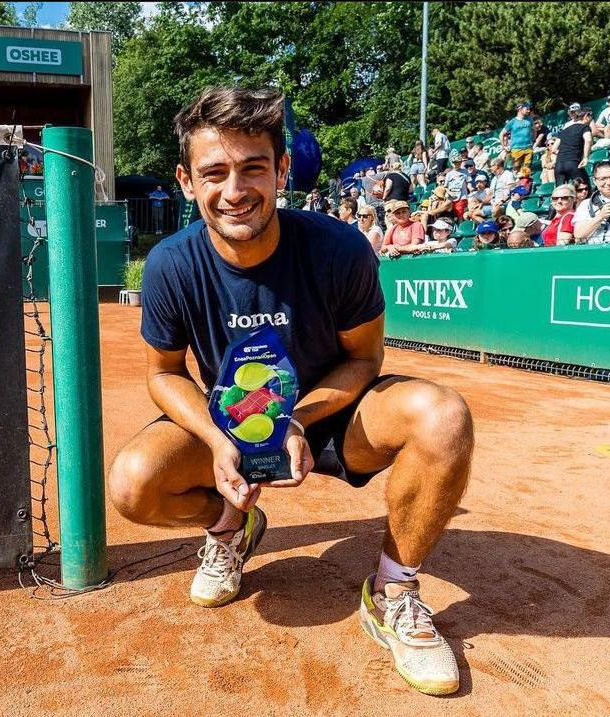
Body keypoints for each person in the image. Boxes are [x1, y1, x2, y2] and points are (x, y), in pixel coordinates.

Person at [109, 86, 472, 696]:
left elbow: (365, 359)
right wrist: (215, 439)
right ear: (185, 180)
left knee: (442, 417)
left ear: (281, 170)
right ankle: (230, 526)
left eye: (253, 168)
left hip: (333, 414)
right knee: (131, 483)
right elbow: (164, 373)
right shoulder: (170, 263)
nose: (235, 190)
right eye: (214, 172)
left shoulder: (340, 248)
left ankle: (394, 591)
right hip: (231, 424)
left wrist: (297, 420)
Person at [551, 103, 592, 187]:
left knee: (561, 193)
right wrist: (585, 157)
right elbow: (588, 140)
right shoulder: (584, 127)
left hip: (559, 165)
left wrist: (564, 153)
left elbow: (553, 149)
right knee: (585, 188)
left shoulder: (564, 130)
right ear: (585, 116)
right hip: (573, 162)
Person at [499, 101, 535, 171]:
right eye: (526, 108)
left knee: (527, 170)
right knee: (516, 170)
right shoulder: (512, 122)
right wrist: (504, 146)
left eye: (529, 109)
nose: (529, 110)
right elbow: (501, 134)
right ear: (520, 109)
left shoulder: (530, 119)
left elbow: (534, 130)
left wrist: (533, 140)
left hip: (528, 149)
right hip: (516, 150)